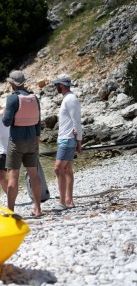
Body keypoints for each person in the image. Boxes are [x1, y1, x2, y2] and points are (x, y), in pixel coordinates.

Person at [2, 70, 43, 217]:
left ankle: (11, 211)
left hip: (16, 141)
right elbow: (38, 121)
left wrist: (5, 113)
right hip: (32, 139)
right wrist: (37, 137)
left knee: (13, 176)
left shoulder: (13, 99)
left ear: (12, 83)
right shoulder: (34, 97)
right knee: (34, 174)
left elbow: (6, 122)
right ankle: (37, 209)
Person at [52, 73, 82, 210]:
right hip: (66, 138)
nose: (56, 87)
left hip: (67, 139)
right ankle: (69, 201)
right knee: (67, 170)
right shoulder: (67, 98)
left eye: (57, 84)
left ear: (62, 85)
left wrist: (79, 143)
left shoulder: (70, 99)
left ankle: (63, 202)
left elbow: (77, 121)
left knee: (58, 169)